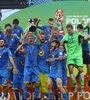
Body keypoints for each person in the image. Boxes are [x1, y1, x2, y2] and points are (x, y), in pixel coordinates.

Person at [61, 24, 90, 93]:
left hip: (78, 56)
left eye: (70, 30)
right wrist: (61, 44)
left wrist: (85, 35)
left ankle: (82, 87)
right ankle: (75, 85)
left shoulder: (78, 34)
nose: (69, 32)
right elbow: (61, 42)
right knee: (70, 69)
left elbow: (86, 37)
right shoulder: (66, 36)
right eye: (67, 31)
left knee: (80, 69)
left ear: (72, 29)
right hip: (71, 56)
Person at [35, 28, 54, 99]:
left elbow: (51, 36)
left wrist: (52, 28)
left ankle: (45, 97)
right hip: (38, 67)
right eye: (41, 36)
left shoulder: (47, 44)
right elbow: (37, 35)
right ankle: (37, 97)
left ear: (45, 37)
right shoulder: (37, 44)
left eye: (43, 36)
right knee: (37, 83)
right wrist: (34, 27)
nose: (42, 37)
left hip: (45, 68)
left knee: (47, 84)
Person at [23, 35, 40, 100]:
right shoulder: (26, 46)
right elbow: (24, 37)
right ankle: (24, 98)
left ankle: (37, 98)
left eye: (32, 38)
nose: (31, 39)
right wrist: (29, 29)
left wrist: (34, 29)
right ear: (28, 40)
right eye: (29, 38)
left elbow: (38, 37)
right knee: (26, 83)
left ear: (34, 40)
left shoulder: (36, 46)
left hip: (35, 67)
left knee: (37, 83)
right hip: (27, 67)